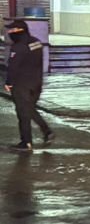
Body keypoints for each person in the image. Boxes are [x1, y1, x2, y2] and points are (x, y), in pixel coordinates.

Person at [4, 20, 52, 151]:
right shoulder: (36, 42)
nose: (9, 33)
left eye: (12, 30)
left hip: (22, 85)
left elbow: (13, 67)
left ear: (20, 30)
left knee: (23, 113)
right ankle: (47, 131)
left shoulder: (18, 46)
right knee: (29, 109)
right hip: (36, 83)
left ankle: (26, 142)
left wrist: (9, 82)